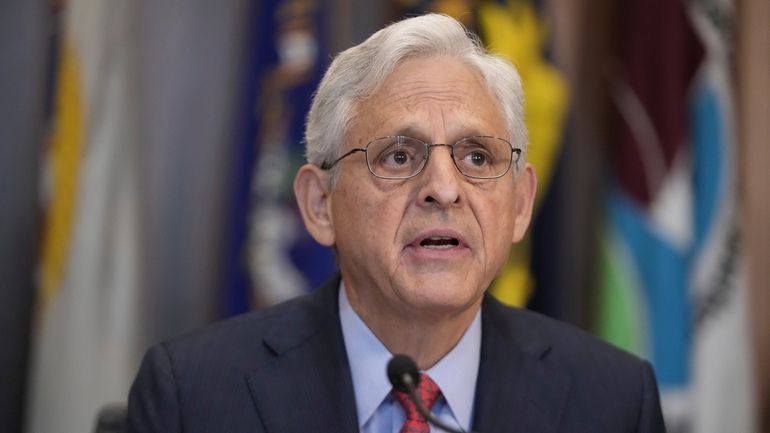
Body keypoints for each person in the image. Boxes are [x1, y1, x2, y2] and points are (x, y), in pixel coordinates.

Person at [127, 13, 665, 433]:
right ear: (319, 204)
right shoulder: (192, 397)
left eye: (477, 157)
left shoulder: (613, 401)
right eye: (399, 156)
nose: (444, 188)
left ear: (521, 204)